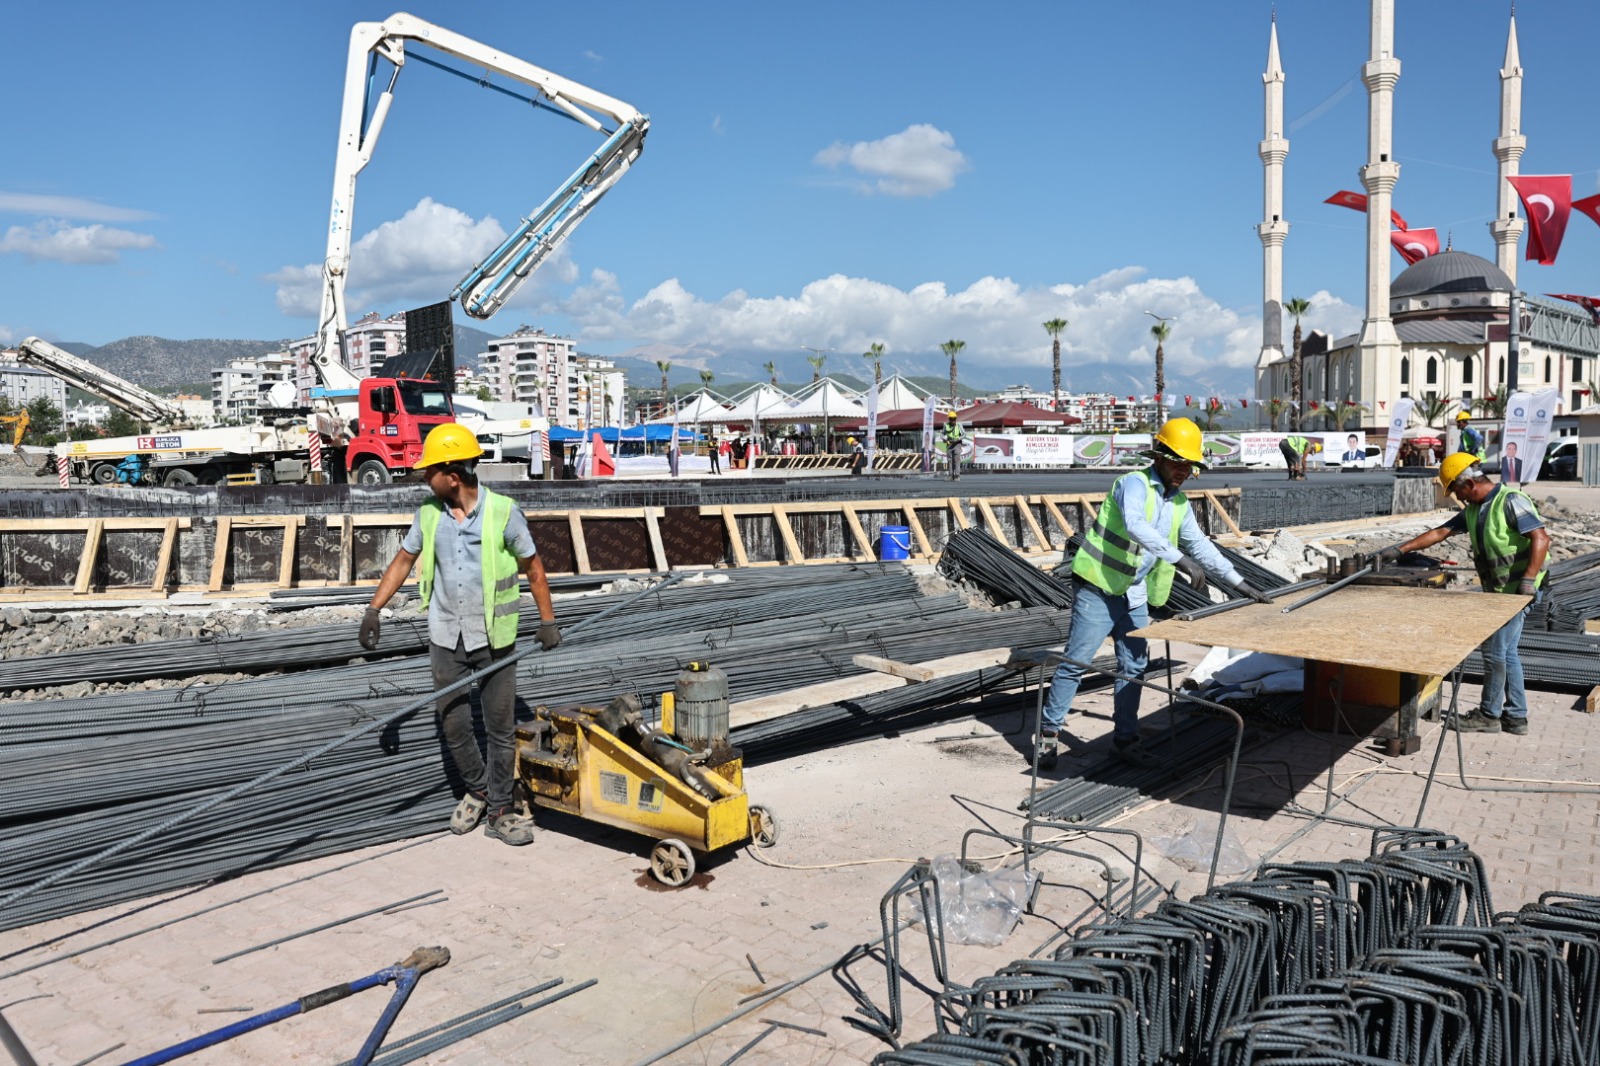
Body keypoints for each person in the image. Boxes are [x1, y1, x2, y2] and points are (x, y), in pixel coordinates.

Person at [359, 424, 561, 845]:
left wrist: (547, 621)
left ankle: (501, 810)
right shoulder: (428, 515)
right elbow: (402, 561)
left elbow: (534, 568)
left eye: (428, 470)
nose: (422, 477)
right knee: (452, 722)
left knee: (500, 729)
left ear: (452, 475)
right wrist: (374, 609)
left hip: (495, 637)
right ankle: (479, 789)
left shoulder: (504, 513)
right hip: (447, 635)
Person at [1036, 417, 1275, 769]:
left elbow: (1203, 549)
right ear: (1159, 456)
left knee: (1134, 665)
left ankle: (1125, 740)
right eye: (1178, 462)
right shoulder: (1133, 484)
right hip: (1098, 586)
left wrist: (1241, 584)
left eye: (1189, 465)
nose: (1183, 471)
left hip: (1132, 592)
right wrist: (1181, 561)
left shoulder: (1179, 504)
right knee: (1077, 661)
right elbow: (1135, 524)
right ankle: (1048, 736)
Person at [1373, 452, 1549, 735]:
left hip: (1517, 592)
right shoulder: (1475, 509)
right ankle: (1516, 717)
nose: (1457, 496)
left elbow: (1541, 537)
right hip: (1500, 593)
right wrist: (1399, 549)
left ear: (1468, 482)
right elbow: (1441, 532)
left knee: (1494, 652)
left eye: (1455, 489)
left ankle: (1489, 716)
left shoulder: (1510, 501)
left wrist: (1528, 581)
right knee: (1508, 653)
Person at [940, 412, 965, 481]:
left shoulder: (959, 425)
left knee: (956, 460)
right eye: (951, 419)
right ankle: (951, 475)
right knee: (950, 460)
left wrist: (957, 439)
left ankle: (957, 476)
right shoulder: (946, 425)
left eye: (954, 418)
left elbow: (964, 434)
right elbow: (942, 434)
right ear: (949, 419)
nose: (953, 420)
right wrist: (944, 439)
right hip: (949, 443)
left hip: (957, 443)